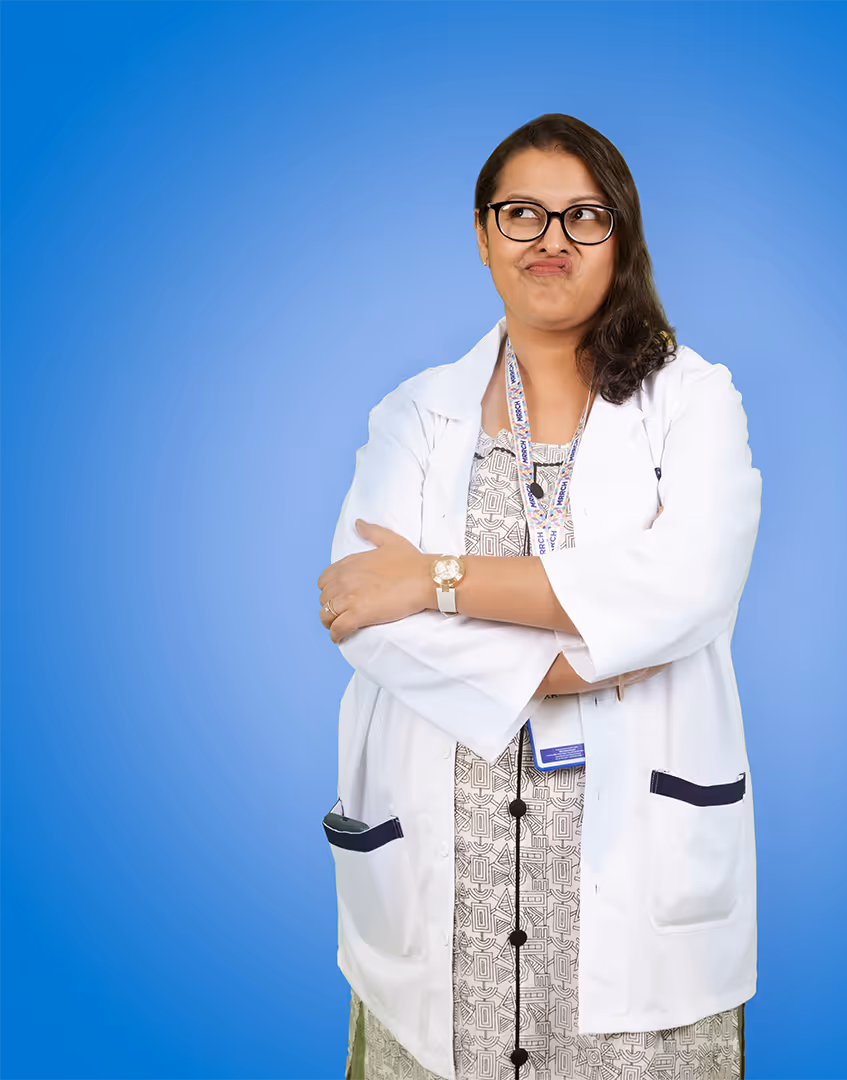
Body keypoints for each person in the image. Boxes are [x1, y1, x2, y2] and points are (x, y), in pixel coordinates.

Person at [317, 113, 762, 1080]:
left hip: (637, 890)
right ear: (483, 236)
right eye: (521, 213)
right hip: (445, 888)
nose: (550, 239)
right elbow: (366, 617)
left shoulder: (693, 401)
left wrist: (434, 580)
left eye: (583, 216)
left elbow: (688, 585)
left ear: (621, 237)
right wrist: (587, 659)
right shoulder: (413, 416)